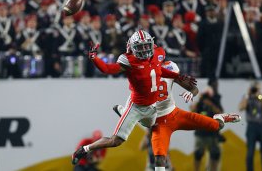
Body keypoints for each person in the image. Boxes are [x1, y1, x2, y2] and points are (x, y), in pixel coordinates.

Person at [71, 30, 197, 165]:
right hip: (136, 107)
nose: (143, 50)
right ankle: (84, 149)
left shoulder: (157, 54)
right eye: (139, 47)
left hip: (152, 106)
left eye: (146, 46)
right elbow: (107, 69)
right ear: (132, 47)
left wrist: (177, 76)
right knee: (116, 141)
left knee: (152, 126)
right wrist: (94, 58)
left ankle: (122, 111)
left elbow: (157, 70)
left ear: (151, 44)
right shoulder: (129, 61)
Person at [112, 61, 241, 171]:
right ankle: (124, 112)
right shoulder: (141, 75)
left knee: (217, 125)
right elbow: (133, 101)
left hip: (174, 114)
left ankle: (222, 117)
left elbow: (193, 88)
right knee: (159, 157)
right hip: (159, 122)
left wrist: (191, 93)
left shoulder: (169, 68)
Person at [191, 78, 224, 171]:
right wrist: (199, 100)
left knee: (215, 154)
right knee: (198, 154)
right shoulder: (200, 103)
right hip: (200, 133)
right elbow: (192, 111)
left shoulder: (215, 101)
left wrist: (210, 104)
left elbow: (220, 112)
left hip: (212, 134)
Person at [239, 81, 262, 171]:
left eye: (257, 88)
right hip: (251, 127)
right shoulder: (247, 98)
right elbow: (241, 107)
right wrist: (247, 95)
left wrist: (259, 96)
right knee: (250, 153)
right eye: (255, 88)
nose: (256, 90)